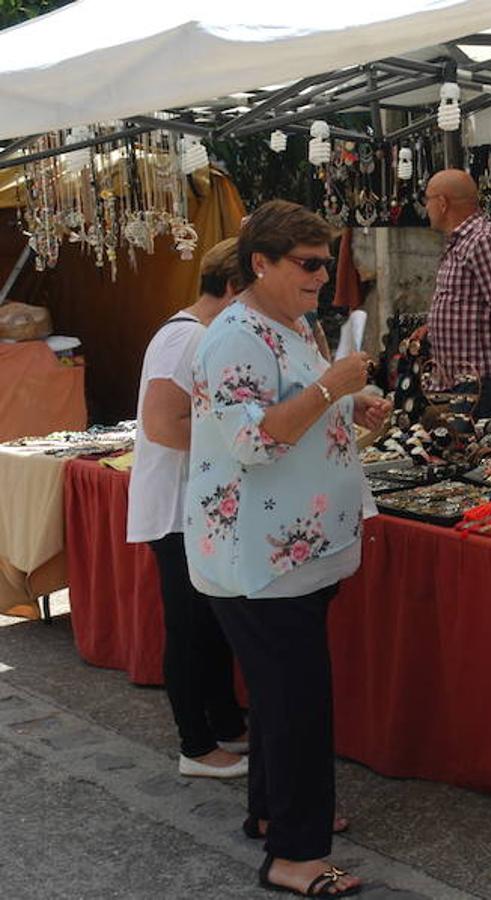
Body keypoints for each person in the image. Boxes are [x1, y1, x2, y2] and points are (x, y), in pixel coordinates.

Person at [186, 199, 391, 898]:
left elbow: (293, 401)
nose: (322, 277)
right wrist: (333, 385)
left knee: (282, 697)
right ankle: (296, 857)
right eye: (308, 264)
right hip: (261, 557)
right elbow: (254, 438)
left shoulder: (295, 322)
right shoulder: (233, 338)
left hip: (296, 548)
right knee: (299, 702)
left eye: (324, 264)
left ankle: (274, 813)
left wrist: (348, 404)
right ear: (260, 264)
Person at [127, 238, 249, 780]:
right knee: (191, 628)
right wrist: (240, 442)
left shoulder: (200, 333)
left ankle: (224, 725)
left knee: (212, 624)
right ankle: (195, 745)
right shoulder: (188, 337)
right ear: (232, 288)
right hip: (179, 508)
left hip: (196, 505)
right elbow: (162, 424)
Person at [421, 168, 491, 419]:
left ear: (442, 203)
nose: (425, 207)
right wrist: (431, 327)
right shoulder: (460, 242)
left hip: (479, 383)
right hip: (454, 381)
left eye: (427, 199)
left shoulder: (484, 241)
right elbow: (468, 303)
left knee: (475, 443)